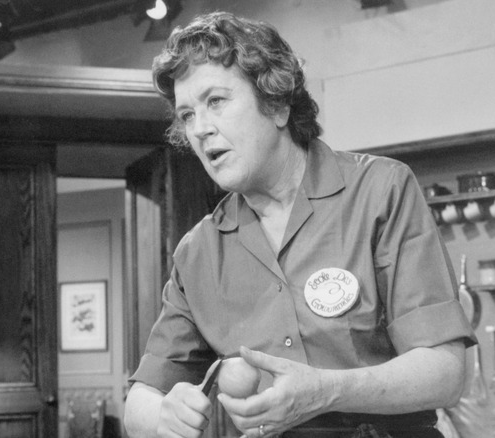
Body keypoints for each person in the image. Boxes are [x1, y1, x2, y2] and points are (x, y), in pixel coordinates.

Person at [123, 11, 475, 438]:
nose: (200, 129)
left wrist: (327, 390)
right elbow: (139, 402)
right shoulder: (198, 251)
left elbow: (445, 372)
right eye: (188, 115)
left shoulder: (381, 190)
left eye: (215, 101)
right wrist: (162, 416)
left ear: (277, 104)